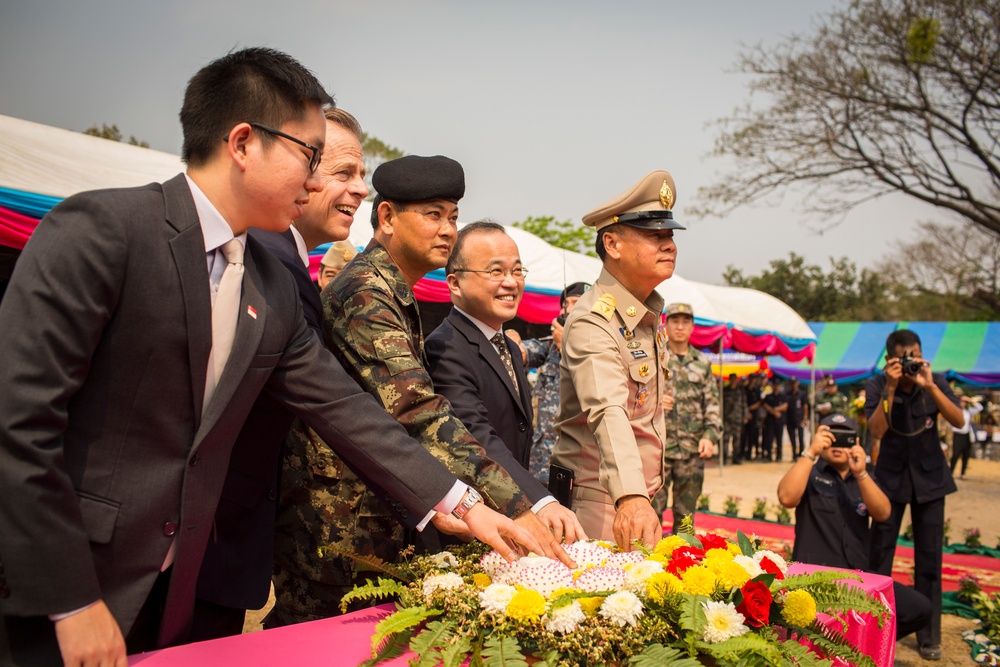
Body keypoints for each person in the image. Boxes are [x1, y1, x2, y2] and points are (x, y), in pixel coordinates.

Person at [0, 48, 541, 666]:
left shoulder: (270, 282)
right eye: (311, 158)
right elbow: (18, 425)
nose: (319, 183)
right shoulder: (103, 231)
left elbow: (344, 409)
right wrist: (70, 599)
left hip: (185, 588)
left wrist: (464, 505)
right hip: (70, 584)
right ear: (242, 143)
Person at [269, 156, 580, 627]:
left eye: (453, 217)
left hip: (367, 517)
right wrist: (516, 503)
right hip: (334, 526)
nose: (448, 230)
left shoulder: (395, 291)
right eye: (433, 215)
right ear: (388, 217)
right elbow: (417, 411)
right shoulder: (366, 292)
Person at [192, 108, 369, 640]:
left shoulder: (282, 261)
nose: (358, 190)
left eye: (362, 176)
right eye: (341, 172)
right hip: (208, 533)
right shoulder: (264, 260)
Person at [426, 222, 582, 541]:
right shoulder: (445, 348)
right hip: (465, 528)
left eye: (517, 270)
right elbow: (476, 435)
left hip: (510, 520)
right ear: (454, 283)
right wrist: (539, 500)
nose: (511, 282)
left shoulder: (509, 346)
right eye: (495, 271)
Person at [552, 170, 681, 549]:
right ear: (612, 243)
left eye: (671, 235)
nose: (669, 245)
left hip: (635, 498)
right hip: (603, 504)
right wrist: (631, 496)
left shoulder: (644, 313)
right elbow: (609, 411)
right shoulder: (594, 320)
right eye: (654, 236)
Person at [776, 415, 932, 641]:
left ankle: (863, 644)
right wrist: (811, 452)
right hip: (814, 579)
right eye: (832, 436)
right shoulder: (810, 470)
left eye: (844, 438)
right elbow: (786, 497)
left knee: (919, 608)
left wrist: (861, 473)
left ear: (856, 442)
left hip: (858, 580)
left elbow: (883, 513)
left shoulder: (863, 477)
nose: (838, 444)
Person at [865, 329, 964, 661]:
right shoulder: (879, 385)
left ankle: (928, 635)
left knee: (930, 559)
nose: (910, 361)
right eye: (903, 356)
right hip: (889, 482)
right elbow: (876, 432)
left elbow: (959, 419)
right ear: (891, 358)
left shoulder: (933, 380)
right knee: (879, 555)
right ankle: (875, 625)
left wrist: (930, 385)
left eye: (915, 354)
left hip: (931, 480)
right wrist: (891, 389)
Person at [506, 281, 589, 485]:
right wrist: (510, 340)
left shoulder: (597, 351)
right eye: (565, 304)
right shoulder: (550, 347)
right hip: (541, 463)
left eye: (576, 303)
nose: (568, 309)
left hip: (576, 465)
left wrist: (566, 347)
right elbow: (524, 351)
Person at [650, 303, 720, 533]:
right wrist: (656, 402)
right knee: (651, 513)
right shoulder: (654, 356)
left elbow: (712, 404)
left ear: (692, 327)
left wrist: (710, 436)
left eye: (685, 322)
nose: (680, 327)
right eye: (675, 321)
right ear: (666, 324)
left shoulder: (703, 363)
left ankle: (683, 563)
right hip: (657, 449)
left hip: (691, 451)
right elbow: (636, 397)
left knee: (686, 519)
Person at [949, 392, 983, 480]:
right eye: (962, 401)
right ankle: (951, 471)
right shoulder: (955, 411)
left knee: (966, 455)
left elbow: (980, 407)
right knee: (955, 454)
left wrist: (970, 400)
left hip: (966, 435)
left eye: (964, 402)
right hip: (957, 435)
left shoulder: (968, 412)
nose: (963, 403)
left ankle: (962, 473)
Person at [721, 373, 747, 465]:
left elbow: (744, 404)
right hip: (726, 418)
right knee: (725, 439)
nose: (733, 381)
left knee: (737, 439)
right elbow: (721, 404)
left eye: (734, 379)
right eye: (731, 379)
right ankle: (724, 457)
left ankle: (736, 457)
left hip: (737, 418)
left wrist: (745, 416)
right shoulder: (725, 390)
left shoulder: (740, 391)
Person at [761, 378, 789, 461]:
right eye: (775, 385)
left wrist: (776, 409)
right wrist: (774, 412)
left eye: (778, 385)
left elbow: (785, 406)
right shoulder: (769, 396)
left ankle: (779, 456)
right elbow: (765, 405)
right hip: (770, 421)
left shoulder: (783, 396)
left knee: (779, 439)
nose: (776, 387)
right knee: (769, 439)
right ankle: (769, 455)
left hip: (779, 421)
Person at [784, 378, 809, 459]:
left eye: (794, 383)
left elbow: (805, 406)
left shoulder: (802, 394)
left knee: (801, 437)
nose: (793, 385)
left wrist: (805, 418)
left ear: (797, 383)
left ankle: (801, 453)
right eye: (792, 383)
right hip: (789, 419)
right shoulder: (787, 394)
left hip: (799, 418)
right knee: (792, 438)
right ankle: (794, 454)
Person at [742, 374, 764, 461]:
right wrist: (746, 411)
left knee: (752, 435)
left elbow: (759, 402)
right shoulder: (744, 389)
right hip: (744, 415)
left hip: (754, 415)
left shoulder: (757, 390)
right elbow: (742, 401)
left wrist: (750, 409)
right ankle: (742, 453)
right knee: (743, 435)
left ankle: (749, 454)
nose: (753, 380)